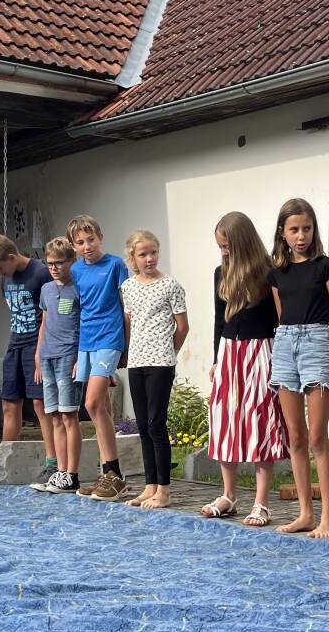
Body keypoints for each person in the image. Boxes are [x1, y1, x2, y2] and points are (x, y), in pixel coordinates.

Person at [267, 197, 329, 538]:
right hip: (285, 344)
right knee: (295, 436)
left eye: (307, 229)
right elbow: (281, 316)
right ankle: (305, 513)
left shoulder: (325, 266)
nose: (301, 236)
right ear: (283, 233)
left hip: (317, 342)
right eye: (294, 230)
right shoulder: (276, 273)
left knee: (317, 436)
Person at [203, 211, 288, 526]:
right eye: (220, 247)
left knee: (260, 419)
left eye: (227, 246)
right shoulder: (220, 272)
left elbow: (279, 319)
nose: (223, 252)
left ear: (242, 242)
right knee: (225, 418)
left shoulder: (268, 272)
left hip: (260, 351)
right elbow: (218, 319)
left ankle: (261, 502)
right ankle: (229, 495)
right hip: (229, 352)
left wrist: (279, 360)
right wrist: (216, 359)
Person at [0, 234, 54, 486]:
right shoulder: (5, 279)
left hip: (37, 346)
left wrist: (43, 351)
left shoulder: (41, 273)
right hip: (15, 344)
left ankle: (53, 464)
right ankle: (3, 464)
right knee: (9, 403)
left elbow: (52, 313)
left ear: (11, 257)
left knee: (41, 404)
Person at [120, 229, 188, 509]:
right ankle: (150, 485)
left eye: (153, 252)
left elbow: (182, 326)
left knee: (156, 424)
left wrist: (169, 351)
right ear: (133, 258)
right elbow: (129, 323)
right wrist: (126, 354)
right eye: (143, 254)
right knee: (143, 425)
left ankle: (164, 489)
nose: (149, 258)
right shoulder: (128, 287)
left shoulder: (171, 285)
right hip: (137, 362)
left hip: (161, 361)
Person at [69, 214, 131, 502]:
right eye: (80, 242)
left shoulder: (116, 265)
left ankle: (114, 475)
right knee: (102, 407)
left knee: (92, 403)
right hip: (87, 342)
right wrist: (77, 354)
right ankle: (109, 474)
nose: (87, 246)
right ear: (74, 246)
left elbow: (126, 307)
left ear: (100, 237)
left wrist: (126, 347)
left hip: (110, 337)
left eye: (91, 239)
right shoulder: (75, 270)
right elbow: (79, 309)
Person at [31, 237, 83, 494]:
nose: (53, 268)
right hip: (48, 356)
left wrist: (80, 357)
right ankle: (60, 472)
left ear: (71, 261)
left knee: (68, 414)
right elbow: (44, 322)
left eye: (59, 263)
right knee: (53, 415)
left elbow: (85, 323)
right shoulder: (46, 289)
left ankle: (72, 474)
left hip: (68, 355)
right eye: (49, 263)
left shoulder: (79, 287)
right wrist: (38, 355)